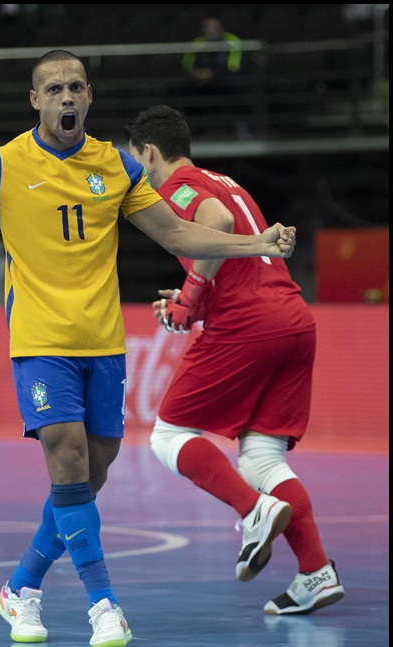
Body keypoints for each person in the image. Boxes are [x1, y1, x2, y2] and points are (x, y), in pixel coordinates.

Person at [0, 49, 297, 647]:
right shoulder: (3, 166)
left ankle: (20, 586)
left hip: (102, 341)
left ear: (90, 96)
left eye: (76, 86)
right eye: (53, 88)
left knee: (91, 470)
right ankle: (104, 604)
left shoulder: (116, 166)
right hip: (39, 339)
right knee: (68, 458)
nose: (66, 97)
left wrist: (256, 241)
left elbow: (178, 233)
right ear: (35, 100)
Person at [125, 104, 343, 615]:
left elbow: (215, 224)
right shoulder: (226, 180)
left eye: (136, 161)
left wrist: (192, 294)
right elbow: (239, 255)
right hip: (292, 319)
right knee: (262, 458)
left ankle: (253, 511)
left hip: (248, 326)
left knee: (168, 436)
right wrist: (189, 304)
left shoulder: (173, 186)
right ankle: (316, 572)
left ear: (149, 152)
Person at [179, 16, 249, 140]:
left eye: (214, 27)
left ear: (221, 28)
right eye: (207, 27)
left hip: (226, 82)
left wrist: (212, 74)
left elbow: (234, 67)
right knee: (184, 92)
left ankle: (240, 131)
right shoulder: (197, 43)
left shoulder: (232, 41)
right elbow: (187, 66)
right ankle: (193, 132)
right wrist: (196, 74)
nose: (210, 30)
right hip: (201, 85)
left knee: (238, 89)